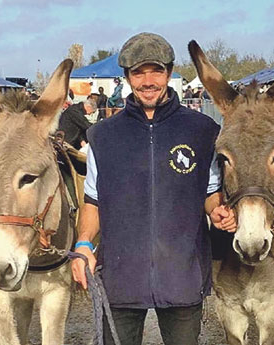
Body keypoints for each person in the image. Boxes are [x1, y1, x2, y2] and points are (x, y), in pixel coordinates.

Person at [70, 32, 235, 345]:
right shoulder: (102, 136)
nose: (148, 81)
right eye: (138, 72)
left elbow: (211, 193)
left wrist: (218, 213)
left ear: (169, 74)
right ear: (128, 77)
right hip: (120, 274)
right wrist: (83, 245)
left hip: (182, 273)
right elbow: (92, 200)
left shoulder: (202, 131)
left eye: (156, 71)